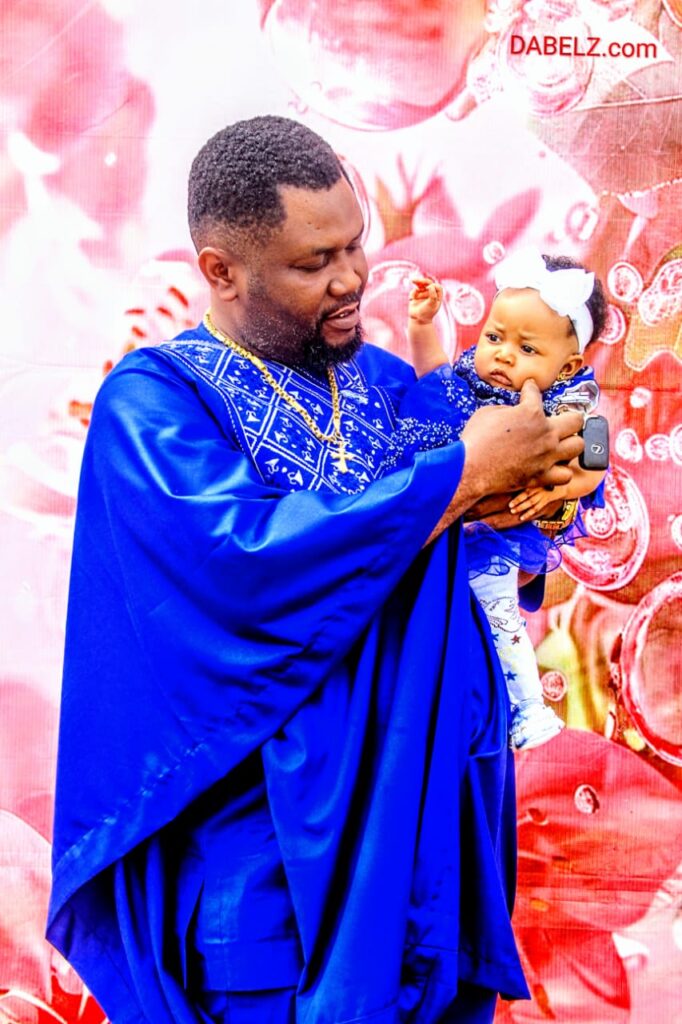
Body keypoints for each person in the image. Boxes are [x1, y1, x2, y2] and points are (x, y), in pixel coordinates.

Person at [47, 116, 585, 1024]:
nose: (351, 279)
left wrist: (539, 499)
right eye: (313, 262)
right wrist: (463, 475)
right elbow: (244, 566)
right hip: (270, 888)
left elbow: (482, 572)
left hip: (423, 855)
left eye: (355, 246)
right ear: (221, 270)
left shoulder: (390, 384)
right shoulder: (155, 402)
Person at [392, 249, 607, 751]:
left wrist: (557, 490)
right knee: (445, 624)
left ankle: (529, 707)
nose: (504, 355)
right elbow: (435, 380)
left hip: (498, 540)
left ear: (568, 365)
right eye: (494, 337)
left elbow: (595, 461)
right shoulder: (474, 381)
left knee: (497, 610)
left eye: (527, 348)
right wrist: (422, 325)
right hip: (448, 526)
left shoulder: (574, 405)